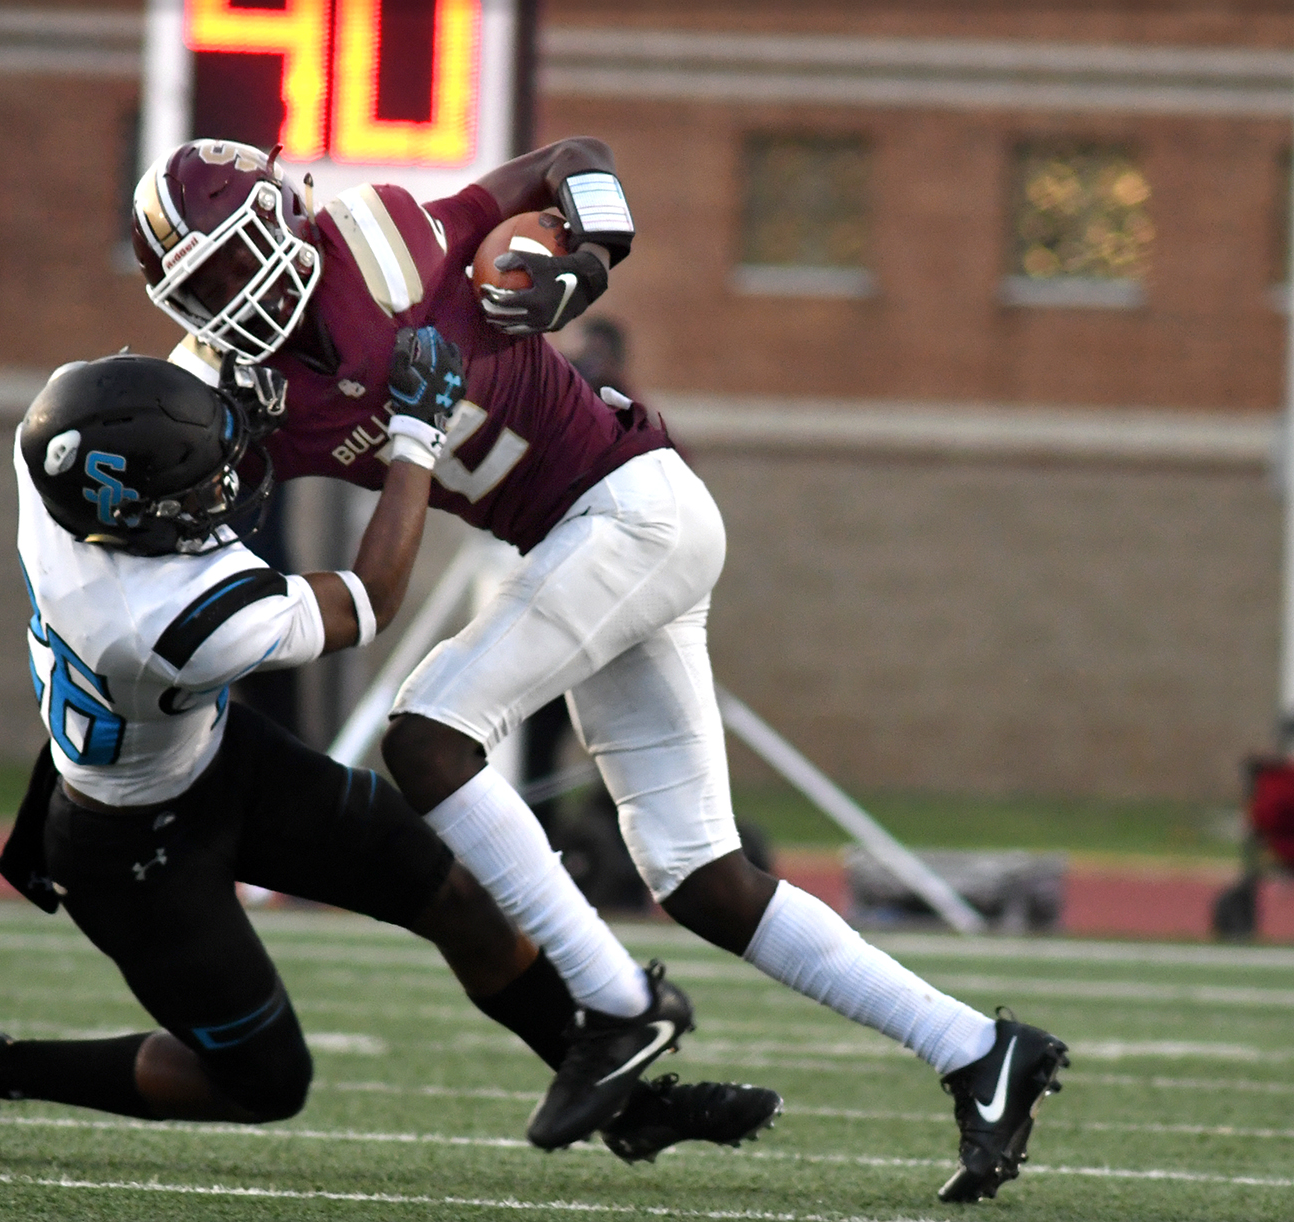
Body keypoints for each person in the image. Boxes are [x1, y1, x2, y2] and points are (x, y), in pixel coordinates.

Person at [130, 136, 1067, 1200]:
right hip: (587, 539)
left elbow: (570, 159)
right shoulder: (232, 385)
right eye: (201, 282)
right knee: (700, 878)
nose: (231, 292)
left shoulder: (382, 243)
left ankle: (616, 1005)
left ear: (287, 221)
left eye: (237, 256)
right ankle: (981, 1051)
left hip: (630, 509)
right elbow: (194, 509)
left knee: (428, 732)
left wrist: (595, 249)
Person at [0, 346, 780, 1163]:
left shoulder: (52, 447)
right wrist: (413, 441)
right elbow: (368, 599)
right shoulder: (170, 619)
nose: (218, 492)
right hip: (127, 846)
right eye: (194, 492)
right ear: (136, 521)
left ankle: (627, 1103)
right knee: (265, 1082)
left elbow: (136, 407)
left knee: (459, 895)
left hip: (220, 757)